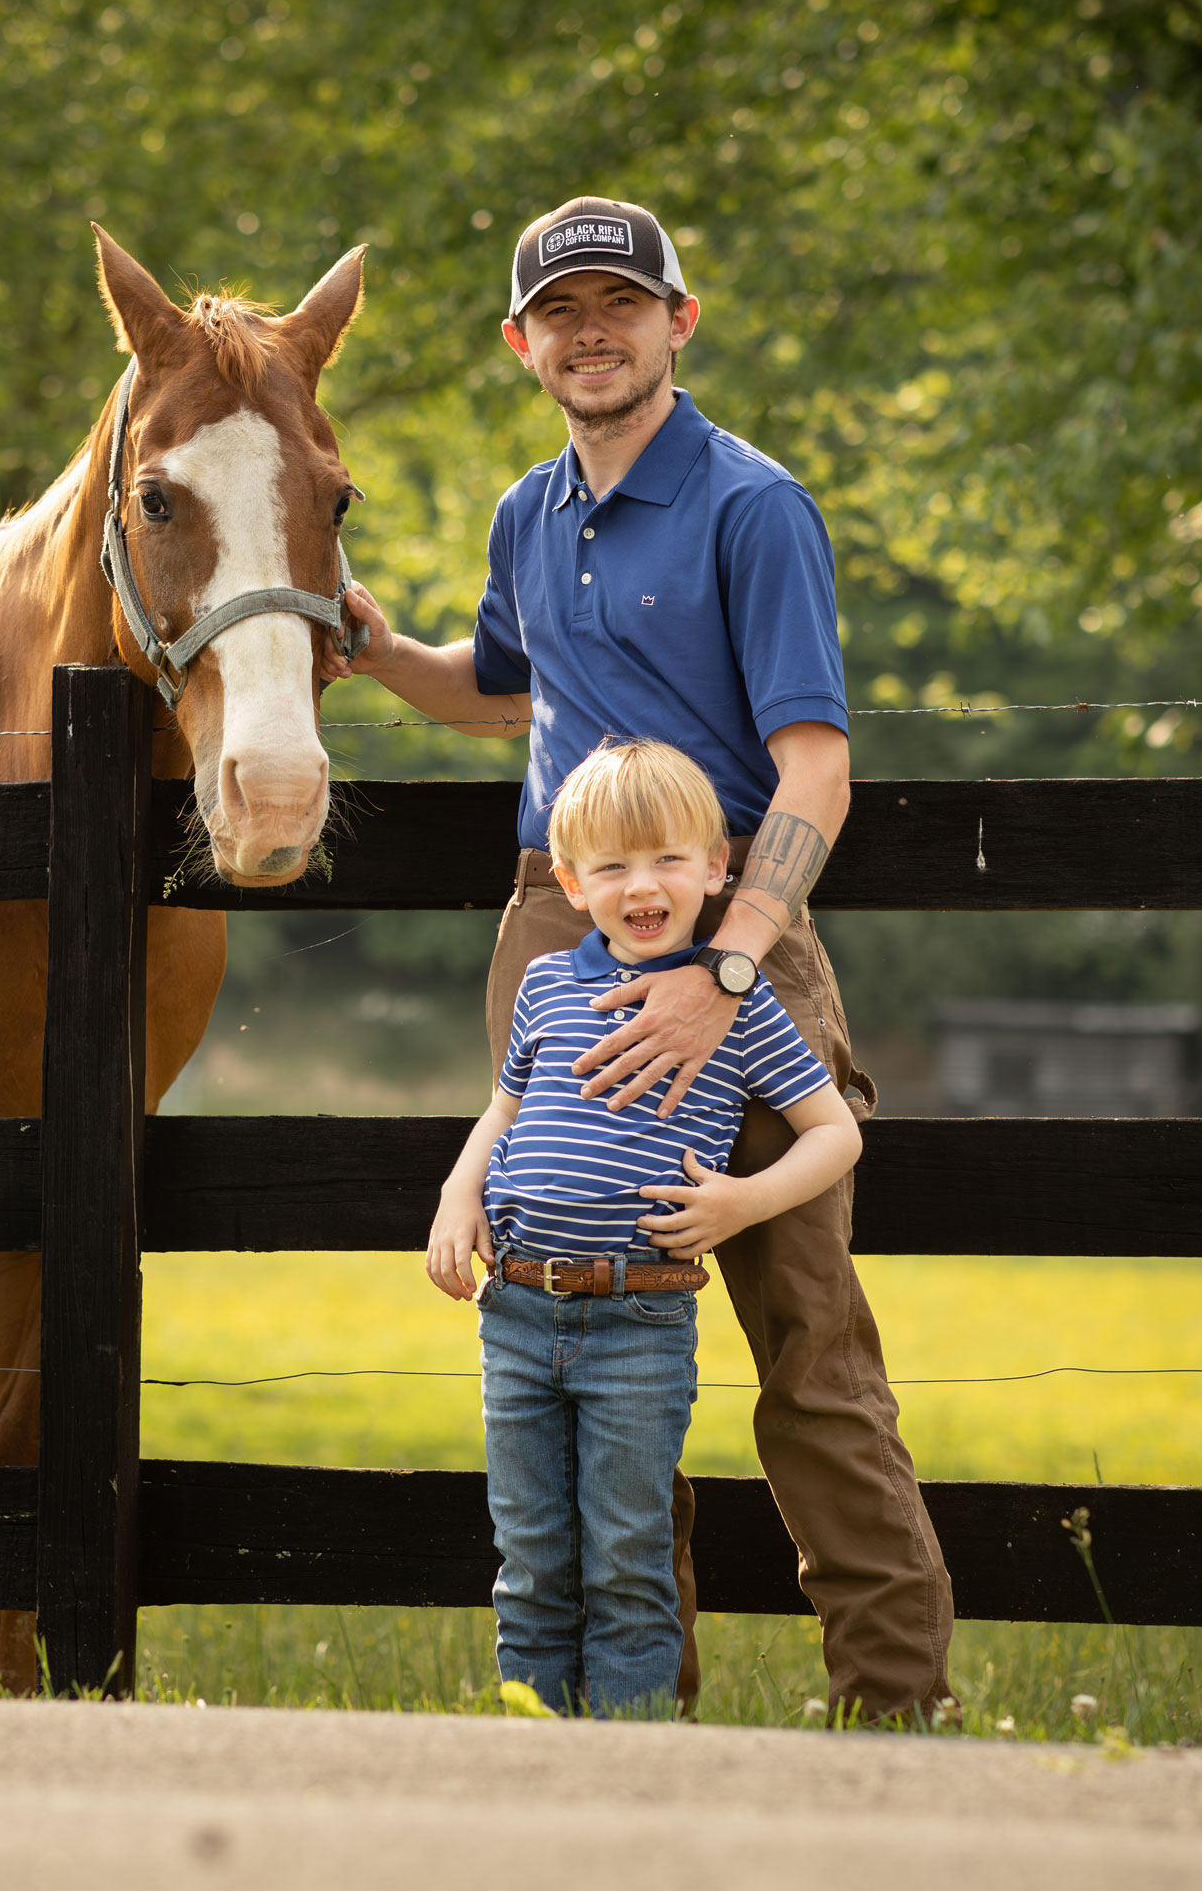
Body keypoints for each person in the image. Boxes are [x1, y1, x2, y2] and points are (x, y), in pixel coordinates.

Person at [339, 195, 955, 1721]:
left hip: (734, 928)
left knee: (807, 1338)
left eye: (623, 302)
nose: (590, 331)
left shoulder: (754, 507)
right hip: (556, 926)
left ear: (681, 320)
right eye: (561, 311)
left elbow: (814, 772)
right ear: (521, 342)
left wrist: (726, 968)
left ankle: (894, 1698)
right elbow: (499, 693)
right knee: (594, 1318)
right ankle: (629, 1713)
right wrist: (373, 647)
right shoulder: (523, 514)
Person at [427, 739, 863, 1718]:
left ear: (719, 869)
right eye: (613, 867)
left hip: (640, 1318)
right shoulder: (545, 984)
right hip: (518, 1315)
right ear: (573, 884)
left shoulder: (733, 1006)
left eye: (669, 858)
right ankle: (536, 1749)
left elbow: (834, 1134)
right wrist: (461, 1197)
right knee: (531, 1560)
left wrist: (741, 1202)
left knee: (626, 1560)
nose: (643, 885)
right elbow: (502, 1113)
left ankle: (631, 1753)